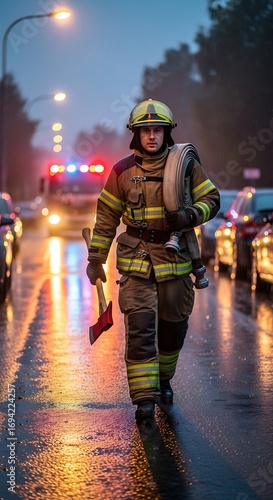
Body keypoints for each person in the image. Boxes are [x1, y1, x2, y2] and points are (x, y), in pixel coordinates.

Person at [86, 99, 220, 425]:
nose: (151, 136)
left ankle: (163, 380)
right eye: (145, 130)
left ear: (166, 133)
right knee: (141, 328)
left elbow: (211, 200)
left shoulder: (185, 165)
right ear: (135, 134)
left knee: (172, 330)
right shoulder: (121, 172)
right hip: (136, 260)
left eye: (157, 130)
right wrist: (96, 258)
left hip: (176, 261)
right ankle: (144, 401)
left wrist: (190, 214)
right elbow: (106, 218)